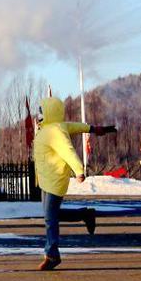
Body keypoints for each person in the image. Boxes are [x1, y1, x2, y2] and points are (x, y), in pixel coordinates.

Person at [32, 95, 116, 270]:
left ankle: (52, 255)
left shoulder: (54, 131)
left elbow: (67, 150)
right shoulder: (53, 127)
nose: (38, 114)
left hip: (55, 179)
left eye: (41, 111)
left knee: (50, 218)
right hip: (46, 179)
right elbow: (77, 126)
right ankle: (85, 215)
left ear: (49, 112)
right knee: (52, 215)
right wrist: (94, 129)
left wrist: (78, 170)